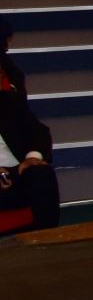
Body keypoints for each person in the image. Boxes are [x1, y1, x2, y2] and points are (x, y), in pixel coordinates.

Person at [0, 49, 60, 230]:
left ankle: (47, 238)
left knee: (41, 174)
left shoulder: (9, 102)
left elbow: (39, 132)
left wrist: (32, 158)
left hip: (16, 172)